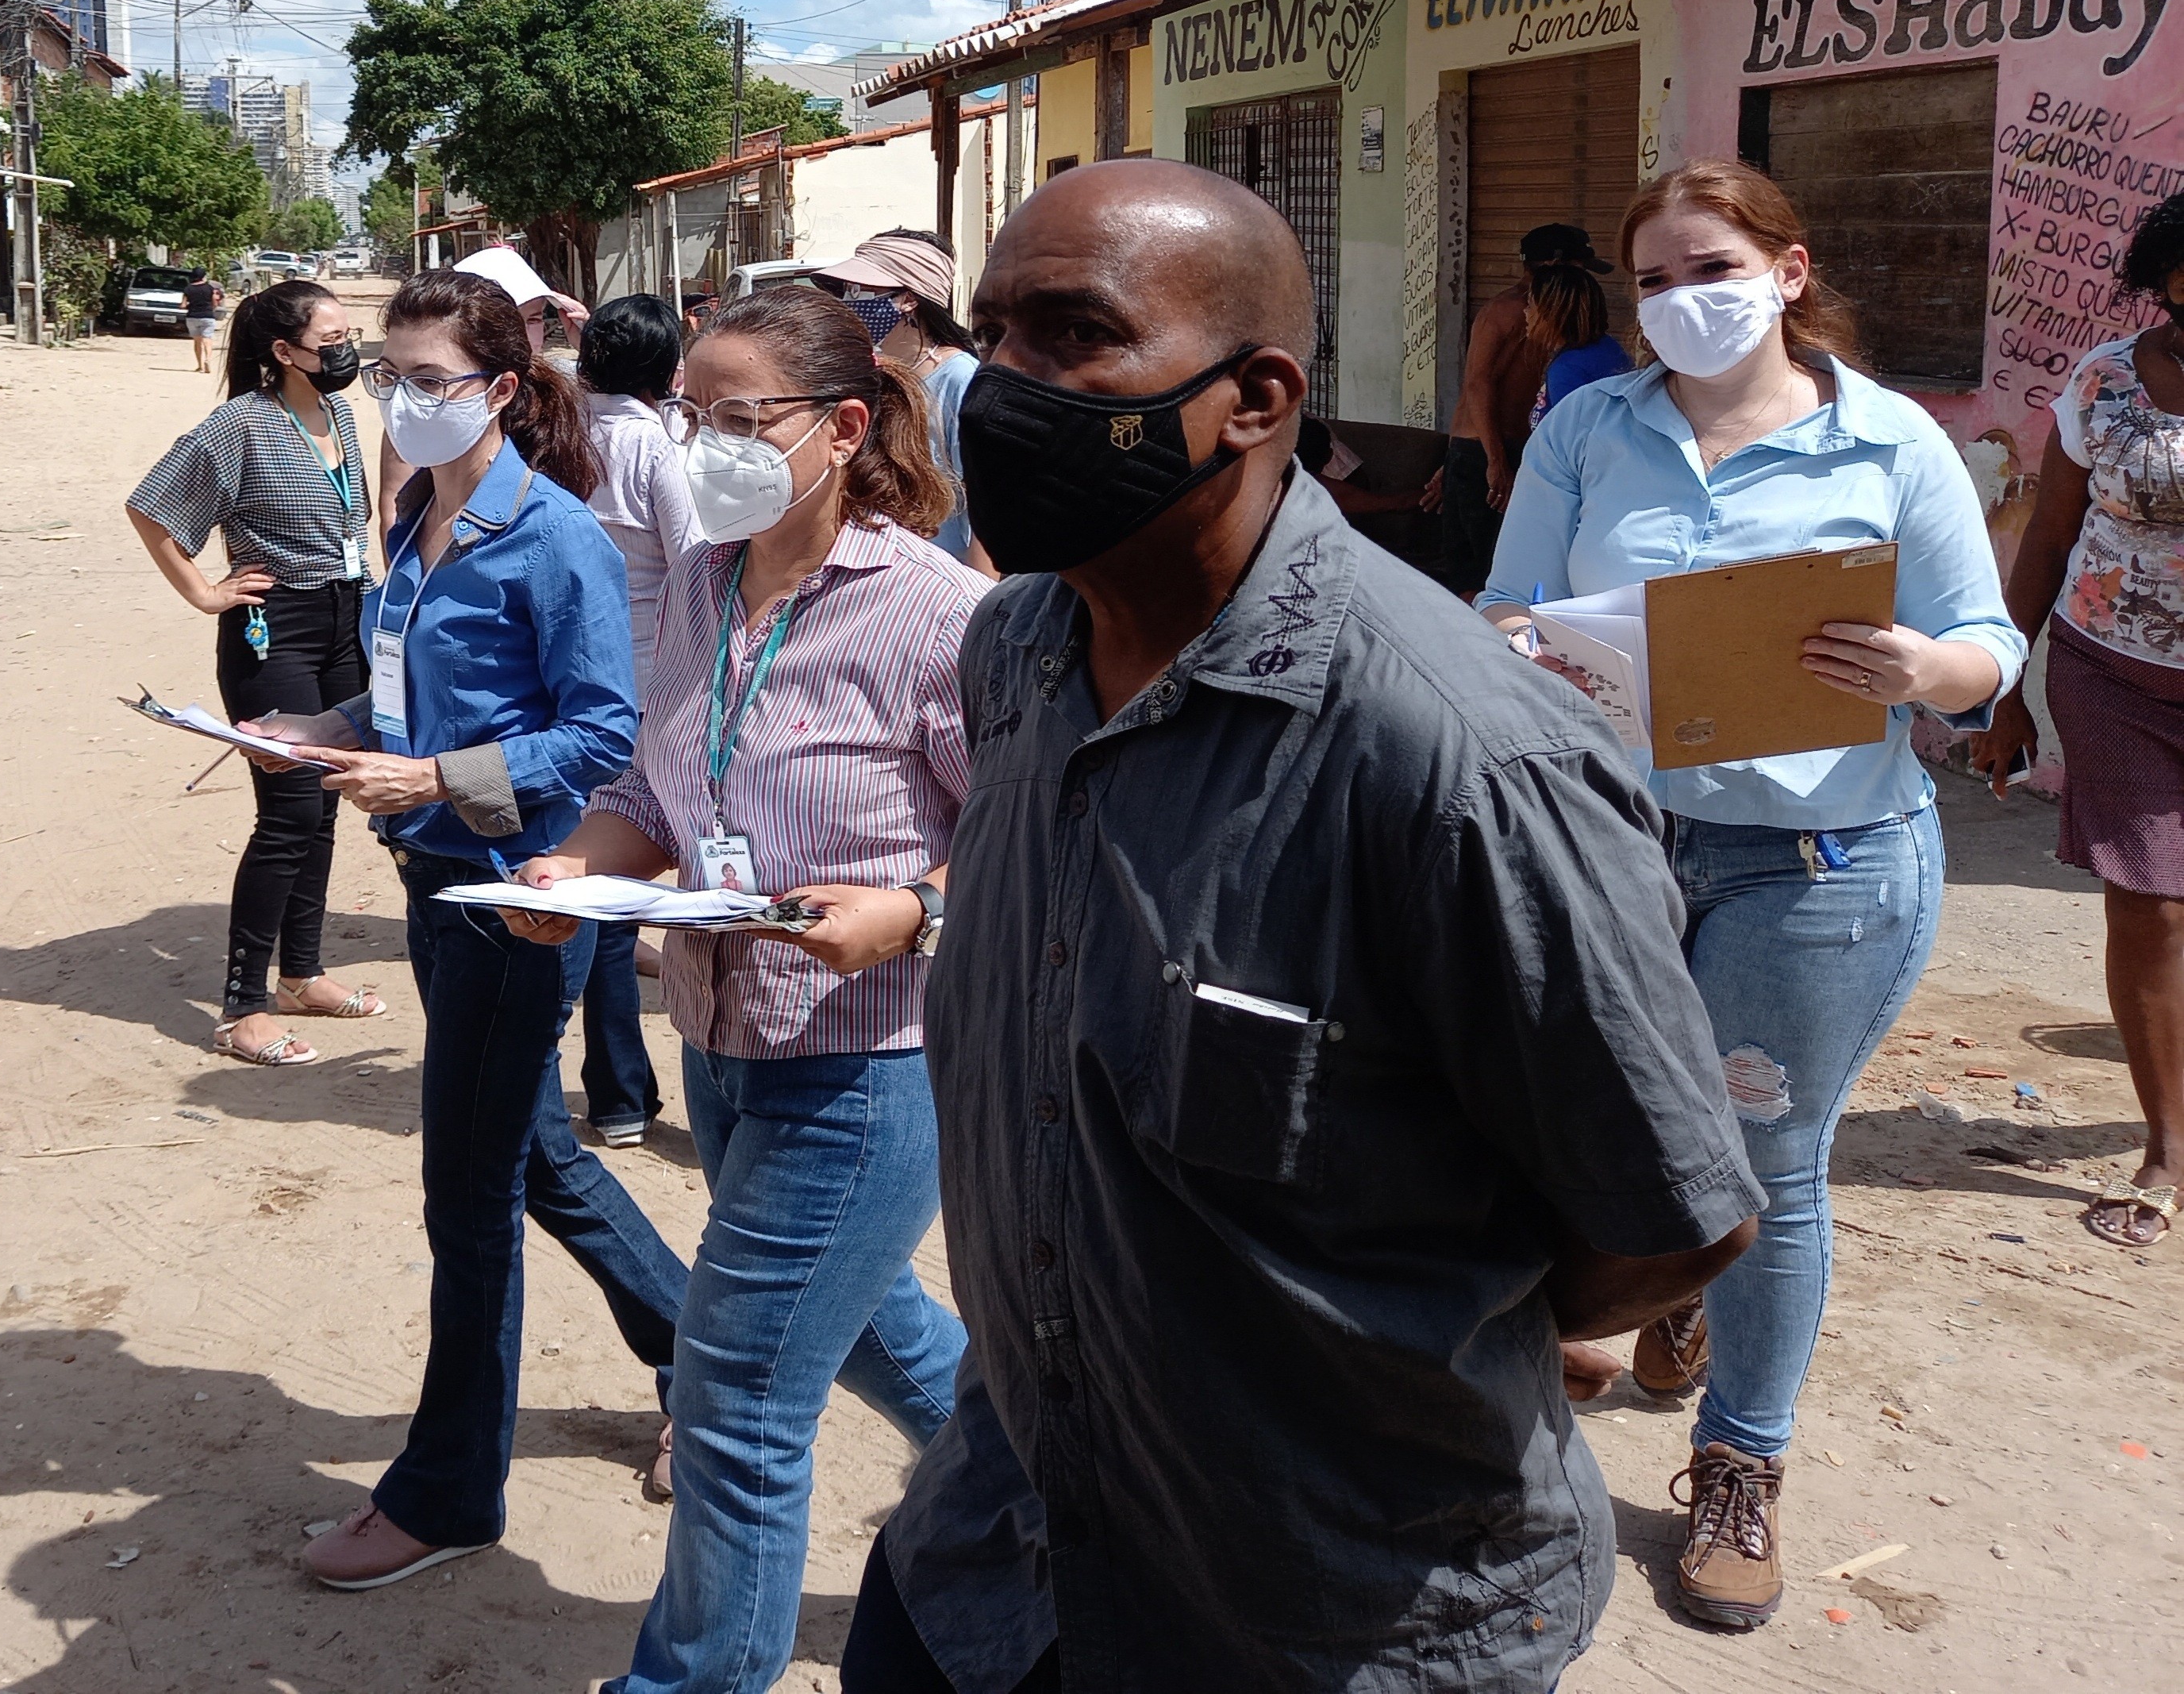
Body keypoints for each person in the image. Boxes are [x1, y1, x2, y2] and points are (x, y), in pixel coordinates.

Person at [844, 157, 1764, 1694]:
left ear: (1253, 398)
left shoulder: (1458, 756)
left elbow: (1670, 1212)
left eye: (1072, 335)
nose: (1003, 388)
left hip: (1330, 1604)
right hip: (1010, 1540)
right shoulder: (1014, 652)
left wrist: (1414, 1346)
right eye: (990, 331)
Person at [1480, 159, 2026, 1630]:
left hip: (1824, 862)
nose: (1681, 301)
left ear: (1787, 273)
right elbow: (1504, 604)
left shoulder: (1888, 439)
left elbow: (1989, 640)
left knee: (1767, 1160)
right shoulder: (1586, 426)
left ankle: (1740, 1463)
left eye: (1711, 267)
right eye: (1653, 279)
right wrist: (1541, 648)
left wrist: (1927, 671)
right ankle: (1672, 1284)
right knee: (1608, 1121)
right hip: (1619, 844)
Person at [499, 284, 988, 1694]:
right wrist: (569, 873)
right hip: (723, 1033)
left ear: (843, 427)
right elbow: (656, 785)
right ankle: (1068, 1491)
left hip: (871, 1060)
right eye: (688, 415)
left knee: (734, 1399)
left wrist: (906, 911)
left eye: (738, 418)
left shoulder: (940, 613)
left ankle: (691, 1679)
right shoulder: (711, 576)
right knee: (879, 1325)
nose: (702, 443)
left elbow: (1032, 839)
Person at [242, 270, 686, 1590]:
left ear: (497, 389)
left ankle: (446, 1490)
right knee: (536, 1157)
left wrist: (439, 779)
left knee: (471, 1193)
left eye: (432, 380)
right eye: (390, 377)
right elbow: (404, 695)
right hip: (433, 882)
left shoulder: (555, 539)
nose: (405, 401)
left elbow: (602, 733)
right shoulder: (412, 521)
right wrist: (322, 731)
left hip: (516, 897)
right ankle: (705, 1367)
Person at [1971, 190, 2184, 1251]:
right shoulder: (2104, 380)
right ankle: (2167, 1149)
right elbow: (2046, 542)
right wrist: (2002, 691)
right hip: (2114, 679)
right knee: (2149, 907)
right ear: (2167, 282)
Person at [125, 279, 383, 1066]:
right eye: (331, 338)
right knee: (289, 811)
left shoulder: (337, 411)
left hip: (346, 617)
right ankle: (243, 1005)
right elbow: (151, 507)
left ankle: (302, 972)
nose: (346, 350)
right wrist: (207, 592)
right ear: (283, 351)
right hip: (277, 631)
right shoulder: (239, 424)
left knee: (329, 798)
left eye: (348, 335)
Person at [576, 294, 701, 1149]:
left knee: (588, 880)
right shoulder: (655, 447)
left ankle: (615, 1089)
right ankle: (623, 1089)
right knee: (631, 888)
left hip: (570, 678)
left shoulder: (555, 432)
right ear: (669, 372)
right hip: (653, 683)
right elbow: (697, 562)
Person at [1433, 222, 1612, 597]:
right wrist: (1493, 460)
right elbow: (1477, 385)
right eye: (1577, 269)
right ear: (1552, 265)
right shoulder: (1512, 310)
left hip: (1510, 449)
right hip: (1494, 451)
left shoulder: (1563, 329)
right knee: (1484, 573)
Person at [376, 246, 592, 541]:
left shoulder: (563, 389)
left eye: (536, 319)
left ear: (502, 392)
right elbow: (394, 507)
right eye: (515, 320)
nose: (527, 336)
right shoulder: (418, 413)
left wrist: (590, 344)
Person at [817, 229, 990, 568]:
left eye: (861, 290)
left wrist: (979, 604)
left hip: (940, 578)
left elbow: (988, 504)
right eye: (847, 291)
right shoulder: (869, 373)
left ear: (908, 299)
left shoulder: (961, 379)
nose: (850, 303)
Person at [1525, 260, 1632, 429]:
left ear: (1551, 311)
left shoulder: (1568, 369)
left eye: (1530, 305)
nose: (1526, 312)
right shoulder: (1606, 348)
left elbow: (1571, 442)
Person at [183, 265, 222, 375]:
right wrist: (211, 308)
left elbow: (183, 305)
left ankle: (200, 366)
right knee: (207, 340)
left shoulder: (188, 289)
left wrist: (188, 306)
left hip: (192, 317)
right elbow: (215, 303)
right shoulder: (210, 288)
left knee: (197, 342)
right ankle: (207, 360)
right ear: (203, 277)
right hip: (207, 317)